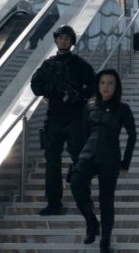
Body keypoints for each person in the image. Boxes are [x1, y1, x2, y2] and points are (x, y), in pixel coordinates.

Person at [30, 25, 96, 216]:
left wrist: (78, 96)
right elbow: (35, 86)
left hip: (75, 117)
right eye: (60, 38)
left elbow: (93, 85)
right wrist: (51, 91)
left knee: (79, 160)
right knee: (52, 162)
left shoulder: (80, 64)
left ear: (72, 41)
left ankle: (84, 200)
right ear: (56, 40)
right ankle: (53, 203)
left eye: (67, 38)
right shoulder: (47, 65)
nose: (63, 41)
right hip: (54, 117)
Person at [70, 69, 136, 253]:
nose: (106, 87)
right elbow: (84, 132)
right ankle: (91, 222)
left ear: (116, 87)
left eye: (110, 83)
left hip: (110, 157)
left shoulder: (123, 109)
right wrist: (79, 156)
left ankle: (105, 241)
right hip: (88, 154)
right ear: (97, 85)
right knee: (76, 184)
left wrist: (126, 161)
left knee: (106, 200)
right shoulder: (89, 106)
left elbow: (132, 135)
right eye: (103, 83)